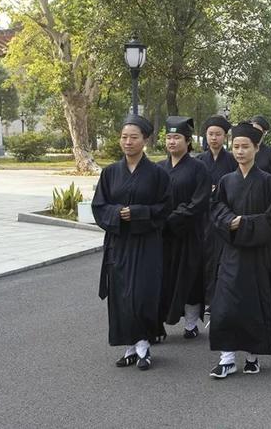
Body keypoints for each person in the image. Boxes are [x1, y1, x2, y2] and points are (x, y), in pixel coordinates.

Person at [92, 115, 173, 371]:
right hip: (119, 242)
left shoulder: (157, 174)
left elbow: (165, 206)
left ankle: (143, 345)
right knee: (120, 295)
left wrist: (138, 212)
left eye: (134, 137)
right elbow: (99, 206)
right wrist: (117, 214)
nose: (128, 142)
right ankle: (129, 346)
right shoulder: (110, 173)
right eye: (124, 137)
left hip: (146, 242)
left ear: (145, 140)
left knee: (142, 294)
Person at [209, 122, 271, 378]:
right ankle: (227, 357)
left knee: (254, 304)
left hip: (259, 254)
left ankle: (253, 356)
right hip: (231, 252)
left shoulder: (268, 181)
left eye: (245, 147)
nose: (240, 151)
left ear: (257, 148)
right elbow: (216, 209)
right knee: (226, 304)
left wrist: (245, 223)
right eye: (236, 146)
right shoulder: (226, 180)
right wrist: (228, 220)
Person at [158, 116, 211, 342]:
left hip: (189, 233)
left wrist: (174, 218)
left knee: (190, 278)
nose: (172, 142)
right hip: (162, 235)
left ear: (188, 141)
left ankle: (190, 324)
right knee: (162, 279)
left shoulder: (199, 168)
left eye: (177, 137)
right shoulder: (158, 168)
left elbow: (199, 202)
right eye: (169, 137)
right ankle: (157, 324)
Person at [196, 115, 236, 309]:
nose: (214, 138)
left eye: (218, 134)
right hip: (202, 215)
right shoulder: (199, 160)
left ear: (225, 137)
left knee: (222, 257)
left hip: (223, 214)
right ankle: (206, 298)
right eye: (211, 134)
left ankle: (220, 297)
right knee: (204, 256)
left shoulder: (232, 159)